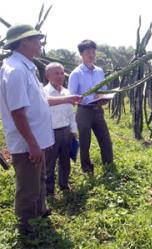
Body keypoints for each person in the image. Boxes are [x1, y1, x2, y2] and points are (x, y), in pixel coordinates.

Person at [0, 24, 81, 234]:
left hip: (38, 139)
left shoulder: (26, 67)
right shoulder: (16, 71)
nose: (40, 43)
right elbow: (18, 113)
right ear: (24, 42)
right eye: (37, 39)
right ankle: (29, 230)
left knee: (40, 180)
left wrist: (68, 98)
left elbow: (41, 100)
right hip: (28, 143)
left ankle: (41, 213)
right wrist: (32, 144)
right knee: (28, 188)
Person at [68, 40, 113, 175]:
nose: (91, 55)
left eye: (93, 52)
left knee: (105, 139)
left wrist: (103, 97)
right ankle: (86, 168)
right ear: (81, 54)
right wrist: (89, 99)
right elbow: (72, 95)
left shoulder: (99, 71)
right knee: (85, 141)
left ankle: (108, 164)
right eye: (88, 52)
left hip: (98, 110)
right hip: (84, 111)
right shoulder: (76, 74)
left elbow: (103, 88)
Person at [44, 62, 78, 196]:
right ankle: (49, 190)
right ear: (48, 76)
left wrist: (73, 131)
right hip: (51, 132)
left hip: (66, 131)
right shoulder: (44, 93)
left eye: (61, 73)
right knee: (49, 163)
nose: (60, 76)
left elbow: (71, 114)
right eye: (56, 73)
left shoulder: (67, 92)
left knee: (65, 160)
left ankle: (64, 185)